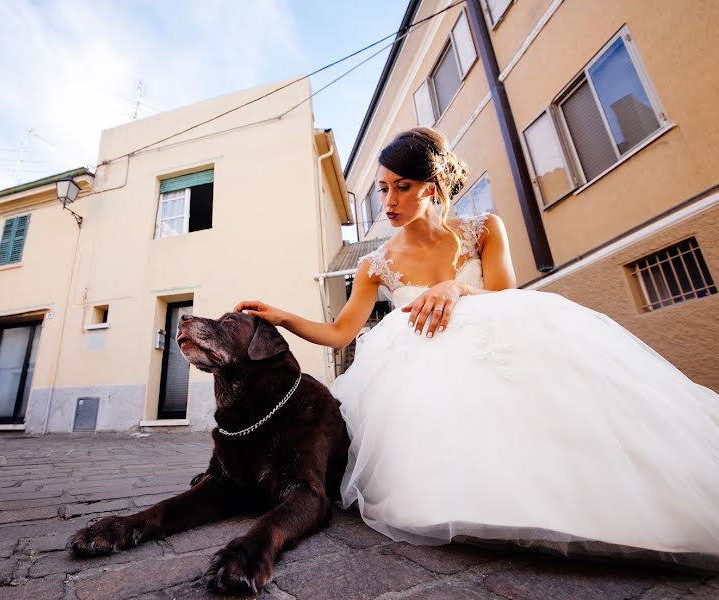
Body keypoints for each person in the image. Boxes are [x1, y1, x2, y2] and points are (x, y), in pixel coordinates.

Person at [235, 128, 719, 563]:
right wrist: (282, 316)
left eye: (402, 186)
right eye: (384, 188)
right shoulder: (375, 264)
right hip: (417, 358)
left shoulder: (483, 229)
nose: (390, 200)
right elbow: (340, 332)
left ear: (432, 186)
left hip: (497, 334)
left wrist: (456, 287)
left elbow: (508, 295)